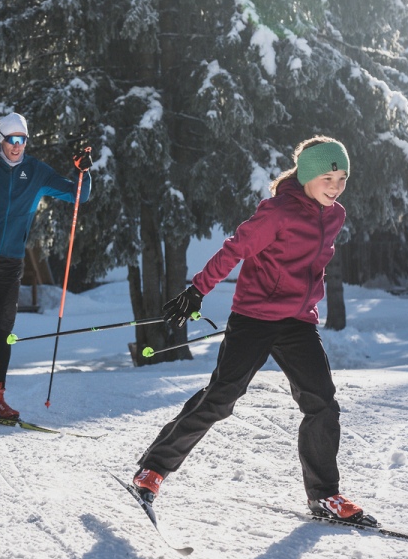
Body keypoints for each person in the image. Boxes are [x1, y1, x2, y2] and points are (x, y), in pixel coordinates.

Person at [129, 135, 376, 526]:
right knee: (221, 398)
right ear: (310, 174)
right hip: (255, 316)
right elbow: (234, 250)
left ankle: (324, 495)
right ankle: (152, 470)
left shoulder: (335, 215)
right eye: (329, 176)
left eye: (343, 178)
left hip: (297, 321)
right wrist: (197, 290)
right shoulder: (276, 213)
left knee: (322, 403)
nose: (337, 186)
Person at [0, 112, 92, 419]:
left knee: (4, 331)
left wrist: (83, 172)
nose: (17, 146)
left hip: (11, 263)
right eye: (11, 140)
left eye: (22, 140)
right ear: (1, 140)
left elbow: (80, 196)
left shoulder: (36, 172)